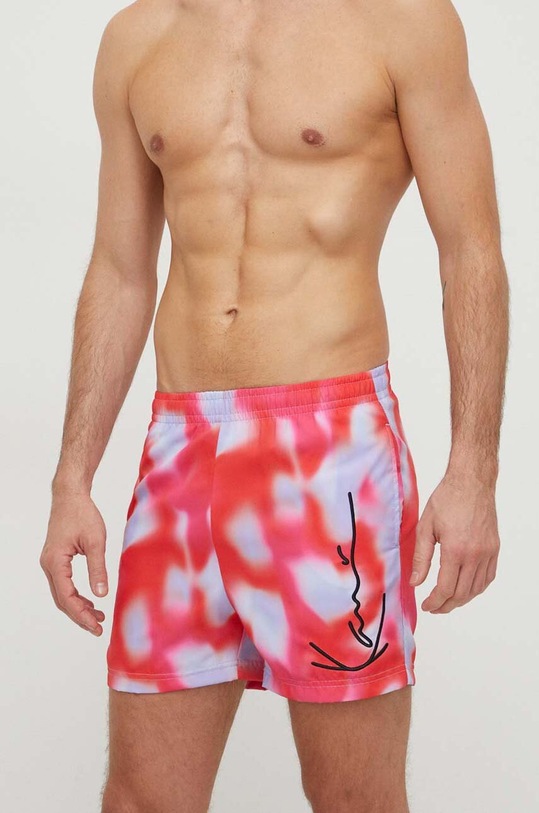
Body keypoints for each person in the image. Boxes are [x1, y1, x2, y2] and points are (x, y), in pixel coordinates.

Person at [40, 0, 509, 810]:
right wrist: (71, 478)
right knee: (140, 797)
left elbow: (471, 250)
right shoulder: (137, 38)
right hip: (181, 452)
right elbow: (119, 270)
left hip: (332, 456)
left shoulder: (401, 21)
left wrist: (473, 470)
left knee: (353, 797)